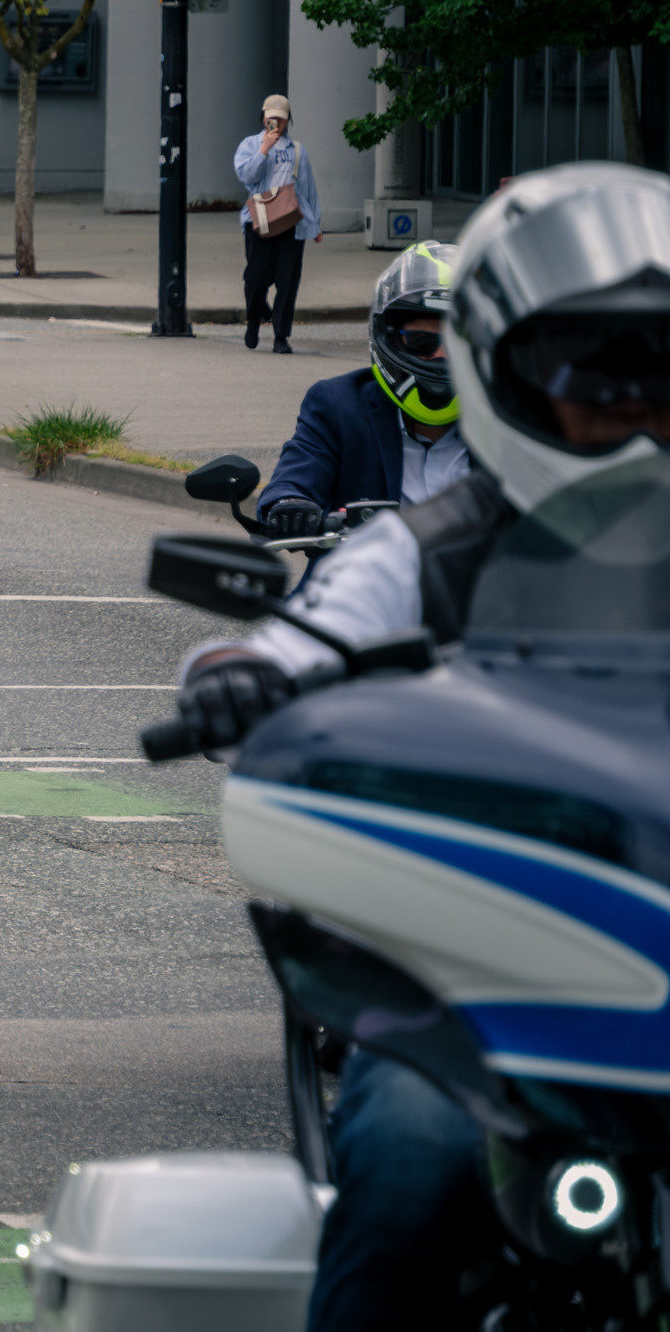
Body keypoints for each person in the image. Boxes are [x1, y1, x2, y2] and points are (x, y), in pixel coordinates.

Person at [168, 163, 670, 1332]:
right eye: (590, 370)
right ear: (511, 374)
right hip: (490, 972)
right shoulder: (436, 551)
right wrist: (240, 681)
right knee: (403, 1156)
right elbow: (306, 636)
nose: (634, 408)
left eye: (663, 370)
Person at [255, 242, 469, 544]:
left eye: (459, 344)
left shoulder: (513, 420)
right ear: (389, 337)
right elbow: (296, 476)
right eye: (422, 342)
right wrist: (290, 505)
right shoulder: (338, 405)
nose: (441, 356)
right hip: (355, 586)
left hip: (483, 589)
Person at [235, 93, 322, 354]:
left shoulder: (296, 150)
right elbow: (247, 176)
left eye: (281, 120)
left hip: (290, 221)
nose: (276, 124)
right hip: (259, 220)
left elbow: (307, 188)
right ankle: (254, 319)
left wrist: (315, 224)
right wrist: (264, 150)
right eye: (271, 119)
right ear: (263, 118)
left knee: (287, 281)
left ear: (287, 121)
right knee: (255, 279)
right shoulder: (250, 145)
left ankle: (281, 335)